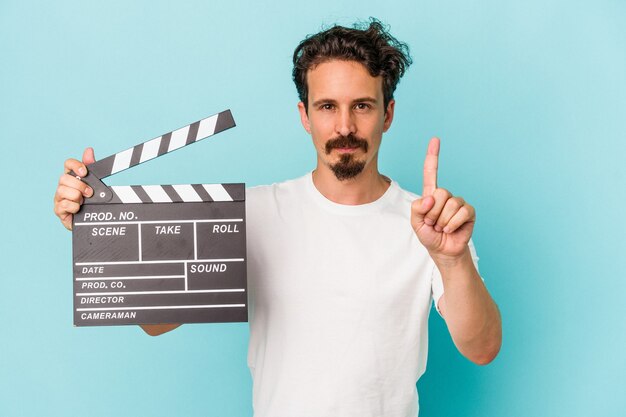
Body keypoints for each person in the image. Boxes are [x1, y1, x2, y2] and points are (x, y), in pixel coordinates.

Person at [54, 19, 501, 417]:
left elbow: (482, 348)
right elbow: (155, 322)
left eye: (361, 106)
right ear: (305, 116)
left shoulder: (429, 225)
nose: (344, 126)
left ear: (387, 115)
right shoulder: (254, 214)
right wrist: (99, 231)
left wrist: (452, 259)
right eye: (327, 106)